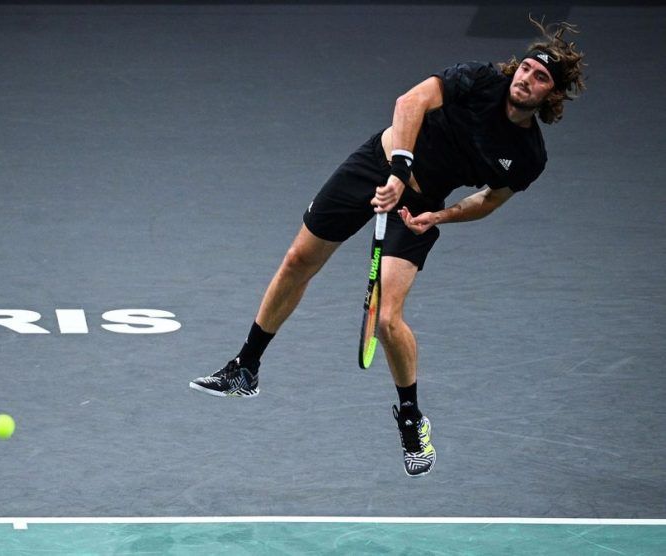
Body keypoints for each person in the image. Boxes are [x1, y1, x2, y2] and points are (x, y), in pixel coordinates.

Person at [190, 18, 586, 477]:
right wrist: (398, 171)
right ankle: (246, 368)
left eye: (541, 78)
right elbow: (411, 101)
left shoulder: (528, 156)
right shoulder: (480, 80)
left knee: (386, 318)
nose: (526, 79)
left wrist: (438, 217)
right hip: (377, 164)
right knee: (299, 260)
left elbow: (490, 199)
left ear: (550, 96)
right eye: (527, 69)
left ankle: (412, 417)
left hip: (417, 209)